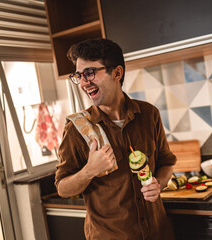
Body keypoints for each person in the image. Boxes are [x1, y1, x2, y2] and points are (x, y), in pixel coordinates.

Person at [55, 38, 177, 240]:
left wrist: (159, 183)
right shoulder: (76, 129)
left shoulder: (149, 114)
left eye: (90, 73)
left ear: (117, 73)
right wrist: (89, 171)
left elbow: (166, 162)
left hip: (158, 233)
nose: (84, 82)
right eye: (79, 75)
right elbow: (62, 188)